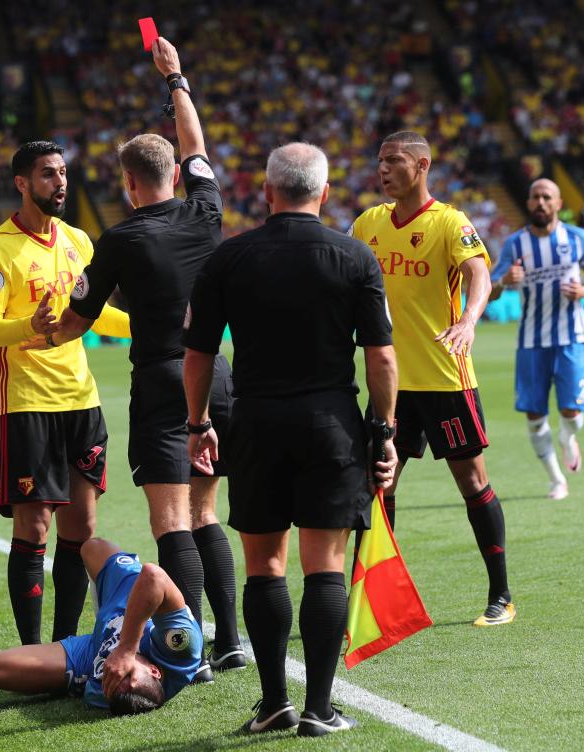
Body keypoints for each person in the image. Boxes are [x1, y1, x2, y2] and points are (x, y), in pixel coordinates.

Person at [29, 37, 243, 681]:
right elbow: (197, 144)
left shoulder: (116, 241)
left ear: (127, 185)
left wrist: (42, 328)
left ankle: (190, 650)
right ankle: (230, 641)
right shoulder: (208, 210)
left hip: (161, 382)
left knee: (170, 519)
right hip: (219, 377)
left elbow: (71, 326)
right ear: (175, 175)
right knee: (206, 512)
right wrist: (176, 77)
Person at [183, 143, 398, 736]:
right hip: (331, 424)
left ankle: (274, 701)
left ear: (267, 192)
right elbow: (380, 357)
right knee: (325, 564)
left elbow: (198, 355)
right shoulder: (354, 256)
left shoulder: (230, 258)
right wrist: (383, 431)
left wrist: (199, 424)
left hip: (254, 423)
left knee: (264, 566)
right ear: (324, 194)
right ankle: (320, 708)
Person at [349, 130, 515, 627]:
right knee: (378, 485)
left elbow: (478, 274)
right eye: (380, 161)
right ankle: (375, 603)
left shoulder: (450, 222)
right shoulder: (367, 224)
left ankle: (501, 595)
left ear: (421, 166)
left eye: (394, 161)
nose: (383, 169)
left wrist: (468, 319)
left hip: (445, 379)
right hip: (389, 384)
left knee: (471, 481)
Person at [0, 141, 130, 647]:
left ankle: (66, 643)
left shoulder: (80, 241)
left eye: (62, 173)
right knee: (35, 526)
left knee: (80, 528)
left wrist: (147, 327)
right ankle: (33, 650)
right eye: (47, 175)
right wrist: (27, 325)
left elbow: (95, 313)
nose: (59, 183)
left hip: (81, 399)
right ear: (22, 183)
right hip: (26, 404)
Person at [0, 537, 202, 715]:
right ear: (154, 670)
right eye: (126, 671)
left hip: (93, 649)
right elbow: (154, 576)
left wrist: (91, 673)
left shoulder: (101, 687)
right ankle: (105, 601)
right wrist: (125, 649)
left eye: (111, 679)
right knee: (91, 547)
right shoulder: (181, 650)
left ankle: (102, 618)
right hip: (128, 594)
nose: (113, 670)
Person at [489, 178, 584, 500]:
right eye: (535, 197)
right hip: (530, 342)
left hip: (572, 337)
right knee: (534, 414)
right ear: (528, 203)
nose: (540, 202)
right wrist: (505, 282)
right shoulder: (515, 245)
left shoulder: (579, 238)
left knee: (571, 412)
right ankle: (557, 479)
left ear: (558, 204)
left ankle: (569, 438)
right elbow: (489, 291)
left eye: (547, 197)